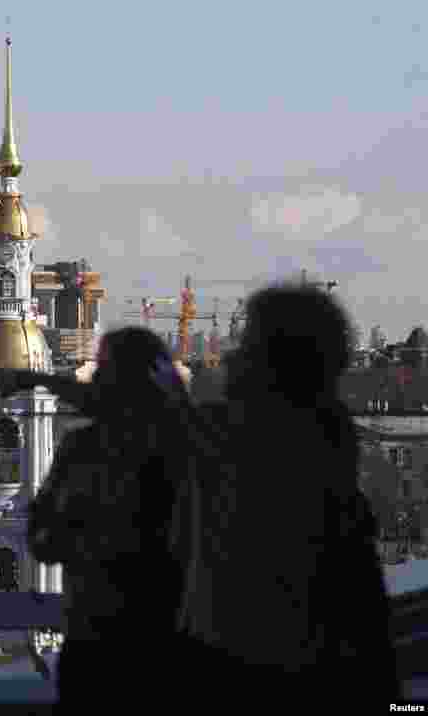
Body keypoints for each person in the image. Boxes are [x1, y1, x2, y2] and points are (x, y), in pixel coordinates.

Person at [183, 284, 400, 706]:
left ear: (272, 362)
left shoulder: (235, 436)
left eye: (247, 344)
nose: (231, 355)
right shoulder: (329, 435)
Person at [27, 326, 194, 709]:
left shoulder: (82, 448)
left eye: (104, 369)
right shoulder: (189, 446)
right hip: (169, 643)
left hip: (94, 638)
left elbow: (43, 539)